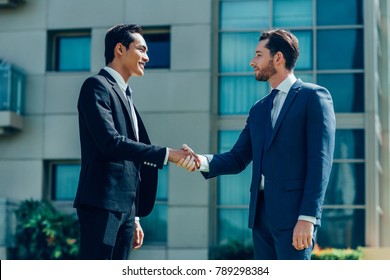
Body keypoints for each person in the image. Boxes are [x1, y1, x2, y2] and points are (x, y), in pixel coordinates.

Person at [178, 29, 336, 260]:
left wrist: (308, 217)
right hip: (260, 218)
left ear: (278, 58)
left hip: (295, 217)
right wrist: (200, 161)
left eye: (259, 55)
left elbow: (320, 162)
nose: (252, 61)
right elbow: (237, 158)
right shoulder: (259, 109)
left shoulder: (314, 97)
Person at [74, 23, 196, 260]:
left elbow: (132, 163)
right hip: (102, 204)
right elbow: (110, 142)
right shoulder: (96, 87)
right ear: (120, 49)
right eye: (141, 49)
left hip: (126, 210)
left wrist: (135, 216)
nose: (147, 57)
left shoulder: (126, 96)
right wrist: (166, 154)